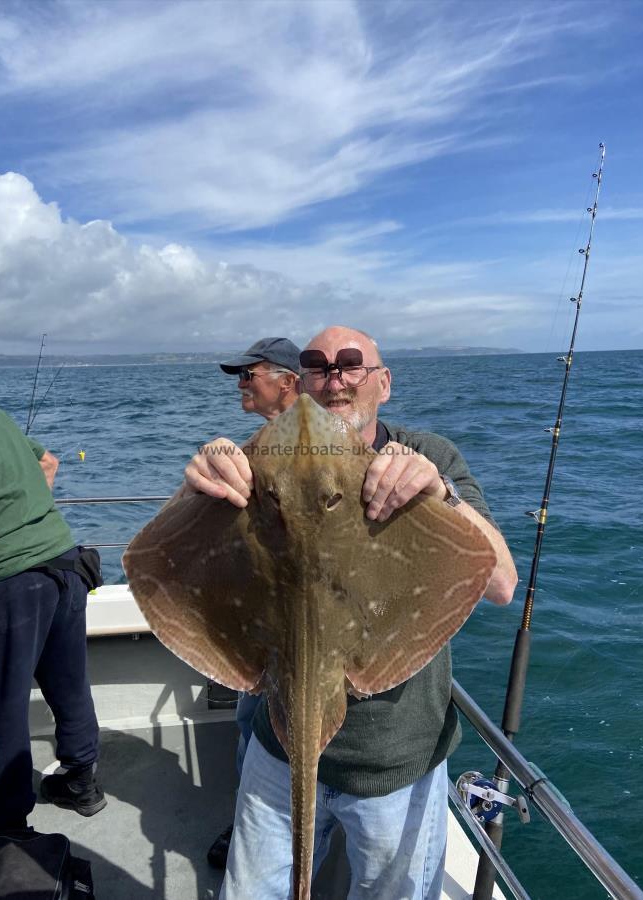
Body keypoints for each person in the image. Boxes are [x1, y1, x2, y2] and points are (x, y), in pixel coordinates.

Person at [181, 326, 518, 899]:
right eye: (317, 365)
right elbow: (173, 557)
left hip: (392, 761)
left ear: (383, 383)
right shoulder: (262, 458)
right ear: (300, 386)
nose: (335, 377)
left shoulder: (429, 457)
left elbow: (502, 584)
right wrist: (200, 479)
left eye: (352, 364)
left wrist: (441, 495)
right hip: (277, 743)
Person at [0, 400, 105, 836]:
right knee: (68, 682)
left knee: (1, 705)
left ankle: (8, 827)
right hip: (64, 561)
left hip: (6, 584)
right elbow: (48, 461)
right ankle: (81, 783)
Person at [206, 337, 300, 869]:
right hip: (263, 619)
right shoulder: (256, 443)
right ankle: (249, 816)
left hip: (300, 621)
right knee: (252, 720)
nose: (241, 383)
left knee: (263, 722)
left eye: (250, 374)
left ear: (288, 380)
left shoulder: (315, 443)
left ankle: (255, 818)